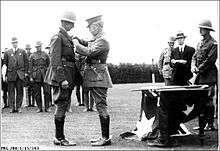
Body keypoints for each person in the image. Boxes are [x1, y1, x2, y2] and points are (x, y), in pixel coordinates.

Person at [73, 15, 113, 146]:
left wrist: (76, 44)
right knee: (100, 105)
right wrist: (78, 39)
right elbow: (88, 43)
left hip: (98, 76)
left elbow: (89, 51)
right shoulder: (98, 39)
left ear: (98, 26)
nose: (90, 30)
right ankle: (104, 136)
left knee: (101, 106)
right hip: (96, 75)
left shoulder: (103, 41)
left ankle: (105, 138)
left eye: (91, 27)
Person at [44, 11, 81, 146]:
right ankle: (59, 138)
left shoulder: (66, 37)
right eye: (71, 23)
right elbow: (55, 60)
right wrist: (62, 79)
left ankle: (59, 137)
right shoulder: (58, 37)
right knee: (61, 104)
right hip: (63, 76)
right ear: (65, 23)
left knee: (63, 104)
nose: (72, 26)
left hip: (68, 75)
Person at [191, 19, 218, 131]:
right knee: (200, 100)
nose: (200, 30)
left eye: (202, 28)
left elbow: (210, 60)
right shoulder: (200, 43)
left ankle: (210, 124)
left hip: (209, 76)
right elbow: (194, 56)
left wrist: (198, 68)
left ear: (207, 30)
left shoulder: (213, 43)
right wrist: (193, 66)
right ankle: (203, 124)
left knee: (208, 100)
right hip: (200, 77)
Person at [3, 37, 28, 113]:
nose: (15, 44)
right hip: (11, 74)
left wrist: (26, 73)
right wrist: (5, 75)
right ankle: (12, 107)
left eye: (16, 42)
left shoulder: (22, 51)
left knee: (20, 91)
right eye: (13, 42)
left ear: (17, 43)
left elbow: (26, 62)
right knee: (11, 91)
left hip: (20, 74)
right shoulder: (7, 52)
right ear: (11, 43)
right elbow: (5, 64)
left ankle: (18, 107)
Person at [29, 41, 51, 113]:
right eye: (37, 47)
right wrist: (31, 77)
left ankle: (47, 107)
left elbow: (49, 65)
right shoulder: (32, 56)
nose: (38, 48)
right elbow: (30, 67)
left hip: (45, 75)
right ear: (36, 47)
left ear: (41, 46)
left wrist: (49, 75)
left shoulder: (45, 54)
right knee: (37, 93)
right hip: (36, 76)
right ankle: (39, 107)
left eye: (39, 46)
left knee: (47, 92)